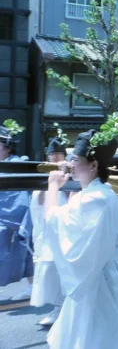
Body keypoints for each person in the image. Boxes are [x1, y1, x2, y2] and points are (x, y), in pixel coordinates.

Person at [44, 128, 118, 349]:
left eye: (75, 159)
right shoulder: (99, 193)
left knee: (99, 338)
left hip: (100, 284)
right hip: (107, 277)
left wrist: (53, 186)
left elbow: (54, 221)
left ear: (93, 165)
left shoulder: (94, 199)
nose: (70, 164)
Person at [29, 136, 69, 326]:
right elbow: (37, 206)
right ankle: (58, 308)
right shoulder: (45, 176)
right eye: (52, 154)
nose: (54, 157)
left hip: (66, 232)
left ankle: (64, 310)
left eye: (58, 154)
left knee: (64, 272)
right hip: (48, 232)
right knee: (51, 272)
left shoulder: (69, 175)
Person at [0, 120, 34, 301]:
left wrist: (20, 222)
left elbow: (19, 198)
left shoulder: (16, 164)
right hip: (5, 218)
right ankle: (32, 286)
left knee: (25, 253)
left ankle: (33, 286)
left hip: (15, 217)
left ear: (7, 148)